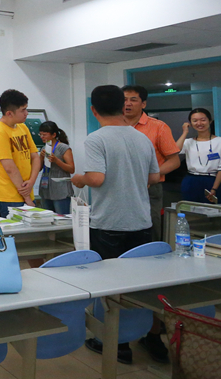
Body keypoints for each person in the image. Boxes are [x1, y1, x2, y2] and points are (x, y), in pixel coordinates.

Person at [72, 85, 160, 365]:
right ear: (123, 106)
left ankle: (115, 343)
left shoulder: (96, 139)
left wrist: (79, 178)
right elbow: (154, 177)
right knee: (137, 284)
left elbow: (96, 178)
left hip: (109, 222)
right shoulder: (141, 138)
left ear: (93, 110)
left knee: (109, 286)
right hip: (141, 222)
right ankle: (143, 332)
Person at [122, 85, 180, 242]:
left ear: (143, 104)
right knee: (122, 231)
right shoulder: (114, 126)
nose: (128, 103)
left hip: (149, 187)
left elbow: (174, 161)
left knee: (150, 229)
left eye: (133, 100)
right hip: (121, 187)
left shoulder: (158, 127)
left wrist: (151, 176)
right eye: (124, 100)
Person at [0, 90, 41, 218]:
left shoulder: (23, 127)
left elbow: (35, 157)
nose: (26, 113)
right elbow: (10, 168)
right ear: (9, 113)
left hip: (26, 192)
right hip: (9, 196)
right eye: (23, 110)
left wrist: (31, 181)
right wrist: (26, 197)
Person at [176, 107, 221, 204]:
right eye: (195, 121)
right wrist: (185, 132)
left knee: (214, 210)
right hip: (191, 180)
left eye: (203, 120)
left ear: (210, 121)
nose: (199, 123)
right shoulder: (188, 142)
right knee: (190, 210)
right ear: (190, 123)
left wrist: (214, 188)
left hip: (212, 180)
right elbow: (174, 151)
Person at [37, 121, 75, 214]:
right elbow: (38, 168)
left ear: (54, 135)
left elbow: (71, 169)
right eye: (40, 134)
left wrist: (56, 160)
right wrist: (41, 157)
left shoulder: (63, 148)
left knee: (61, 218)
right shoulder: (44, 148)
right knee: (47, 218)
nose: (42, 137)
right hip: (46, 189)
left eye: (44, 135)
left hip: (60, 190)